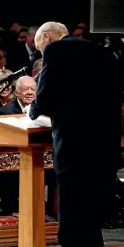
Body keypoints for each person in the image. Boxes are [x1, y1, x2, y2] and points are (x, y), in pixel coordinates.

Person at [30, 21, 123, 246]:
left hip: (73, 146)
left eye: (39, 47)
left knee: (71, 214)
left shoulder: (55, 49)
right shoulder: (104, 52)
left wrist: (32, 111)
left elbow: (44, 95)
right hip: (104, 145)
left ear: (46, 38)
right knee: (91, 213)